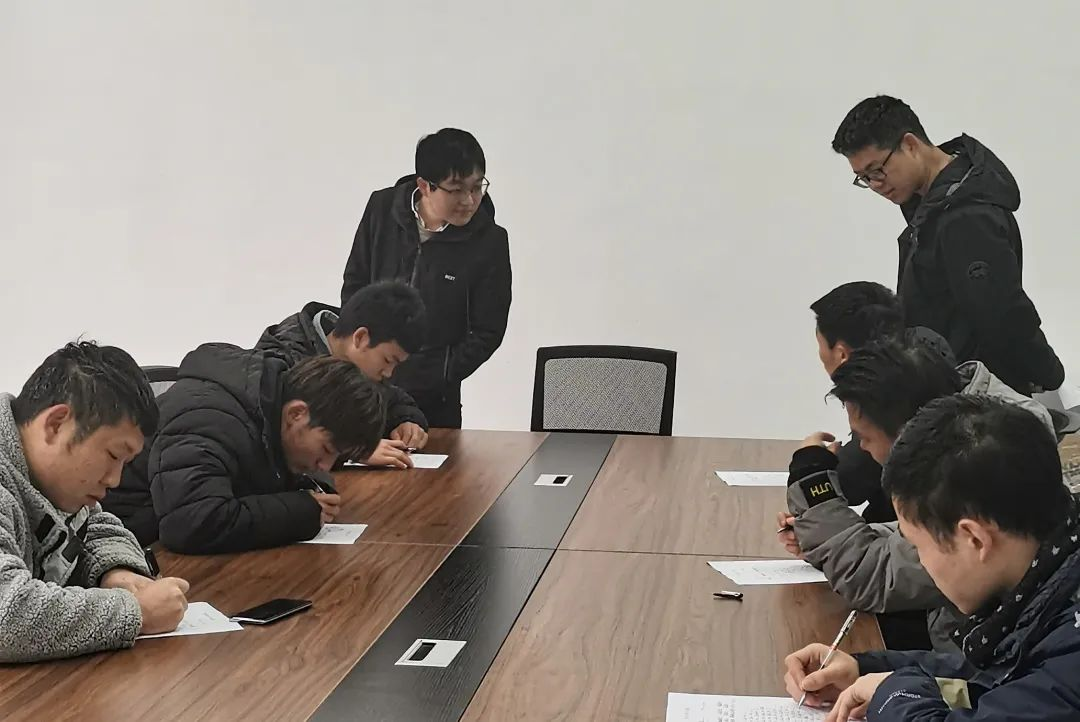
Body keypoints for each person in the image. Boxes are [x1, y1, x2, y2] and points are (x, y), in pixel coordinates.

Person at [784, 395, 1080, 721]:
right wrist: (865, 669)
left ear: (974, 539)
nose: (920, 562)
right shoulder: (1047, 585)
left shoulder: (1070, 649)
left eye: (917, 547)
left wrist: (893, 693)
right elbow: (995, 677)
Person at [781, 339, 1054, 651]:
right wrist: (821, 536)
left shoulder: (971, 464)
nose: (861, 448)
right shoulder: (972, 430)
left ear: (907, 433)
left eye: (863, 437)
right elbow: (908, 541)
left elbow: (873, 575)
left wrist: (811, 477)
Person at [832, 95, 1064, 396]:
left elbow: (1003, 313)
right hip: (952, 391)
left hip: (977, 400)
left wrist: (1049, 373)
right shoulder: (932, 205)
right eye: (864, 178)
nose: (875, 185)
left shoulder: (966, 216)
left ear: (910, 145)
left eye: (877, 170)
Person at [1, 342, 189, 662]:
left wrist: (116, 571)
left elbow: (95, 526)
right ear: (56, 424)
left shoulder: (50, 480)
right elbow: (7, 615)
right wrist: (136, 611)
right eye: (113, 455)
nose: (114, 480)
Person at [103, 346, 385, 552]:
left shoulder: (274, 405)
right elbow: (191, 524)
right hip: (128, 543)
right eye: (326, 449)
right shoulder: (208, 418)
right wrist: (299, 512)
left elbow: (276, 466)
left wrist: (313, 487)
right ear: (297, 414)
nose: (325, 465)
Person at [340, 128, 512, 429]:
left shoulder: (489, 241)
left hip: (435, 400)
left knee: (436, 461)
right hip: (367, 386)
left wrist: (440, 371)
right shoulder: (382, 209)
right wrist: (363, 354)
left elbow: (488, 330)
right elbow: (355, 285)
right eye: (456, 189)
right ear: (425, 186)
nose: (469, 200)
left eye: (477, 187)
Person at [807, 281, 955, 524]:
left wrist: (811, 465)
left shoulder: (889, 397)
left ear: (842, 354)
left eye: (820, 346)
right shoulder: (927, 356)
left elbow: (847, 485)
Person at [257, 281, 429, 469]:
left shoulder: (360, 369)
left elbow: (394, 400)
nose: (388, 373)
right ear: (360, 338)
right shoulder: (284, 363)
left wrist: (407, 421)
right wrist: (354, 451)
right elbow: (274, 437)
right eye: (388, 360)